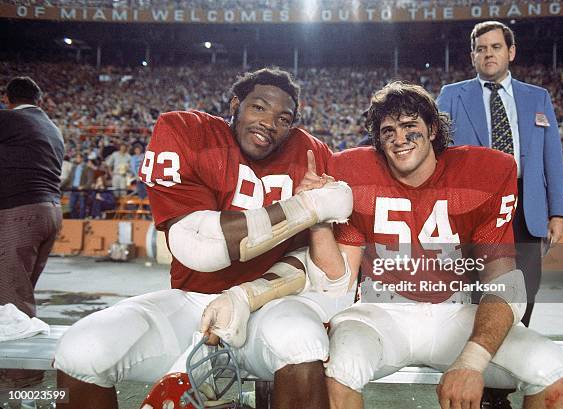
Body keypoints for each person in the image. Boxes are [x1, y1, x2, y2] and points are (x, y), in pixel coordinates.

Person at [54, 68, 354, 409]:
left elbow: (325, 272)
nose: (269, 123)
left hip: (273, 304)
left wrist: (245, 296)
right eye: (259, 108)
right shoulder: (186, 130)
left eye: (283, 118)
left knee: (304, 343)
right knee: (81, 350)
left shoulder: (312, 154)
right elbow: (199, 247)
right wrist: (307, 206)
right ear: (235, 104)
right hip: (193, 302)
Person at [314, 82, 563, 409]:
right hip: (378, 312)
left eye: (410, 127)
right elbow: (341, 276)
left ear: (433, 129)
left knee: (551, 366)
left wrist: (472, 361)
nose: (399, 139)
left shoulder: (487, 171)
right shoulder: (350, 169)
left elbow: (503, 280)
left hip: (455, 312)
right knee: (341, 368)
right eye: (388, 131)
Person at [437, 21, 563, 330]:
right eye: (481, 49)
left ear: (511, 52)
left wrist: (558, 212)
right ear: (472, 57)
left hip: (526, 204)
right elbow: (438, 153)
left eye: (496, 47)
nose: (488, 54)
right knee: (478, 281)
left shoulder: (538, 98)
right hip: (475, 205)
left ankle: (514, 349)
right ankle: (480, 352)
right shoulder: (452, 95)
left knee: (527, 284)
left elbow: (553, 157)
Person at [0, 76, 64, 388]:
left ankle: (23, 376)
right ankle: (10, 364)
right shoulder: (52, 128)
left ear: (7, 98)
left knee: (10, 296)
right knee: (17, 291)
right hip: (49, 211)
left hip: (18, 213)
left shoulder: (10, 120)